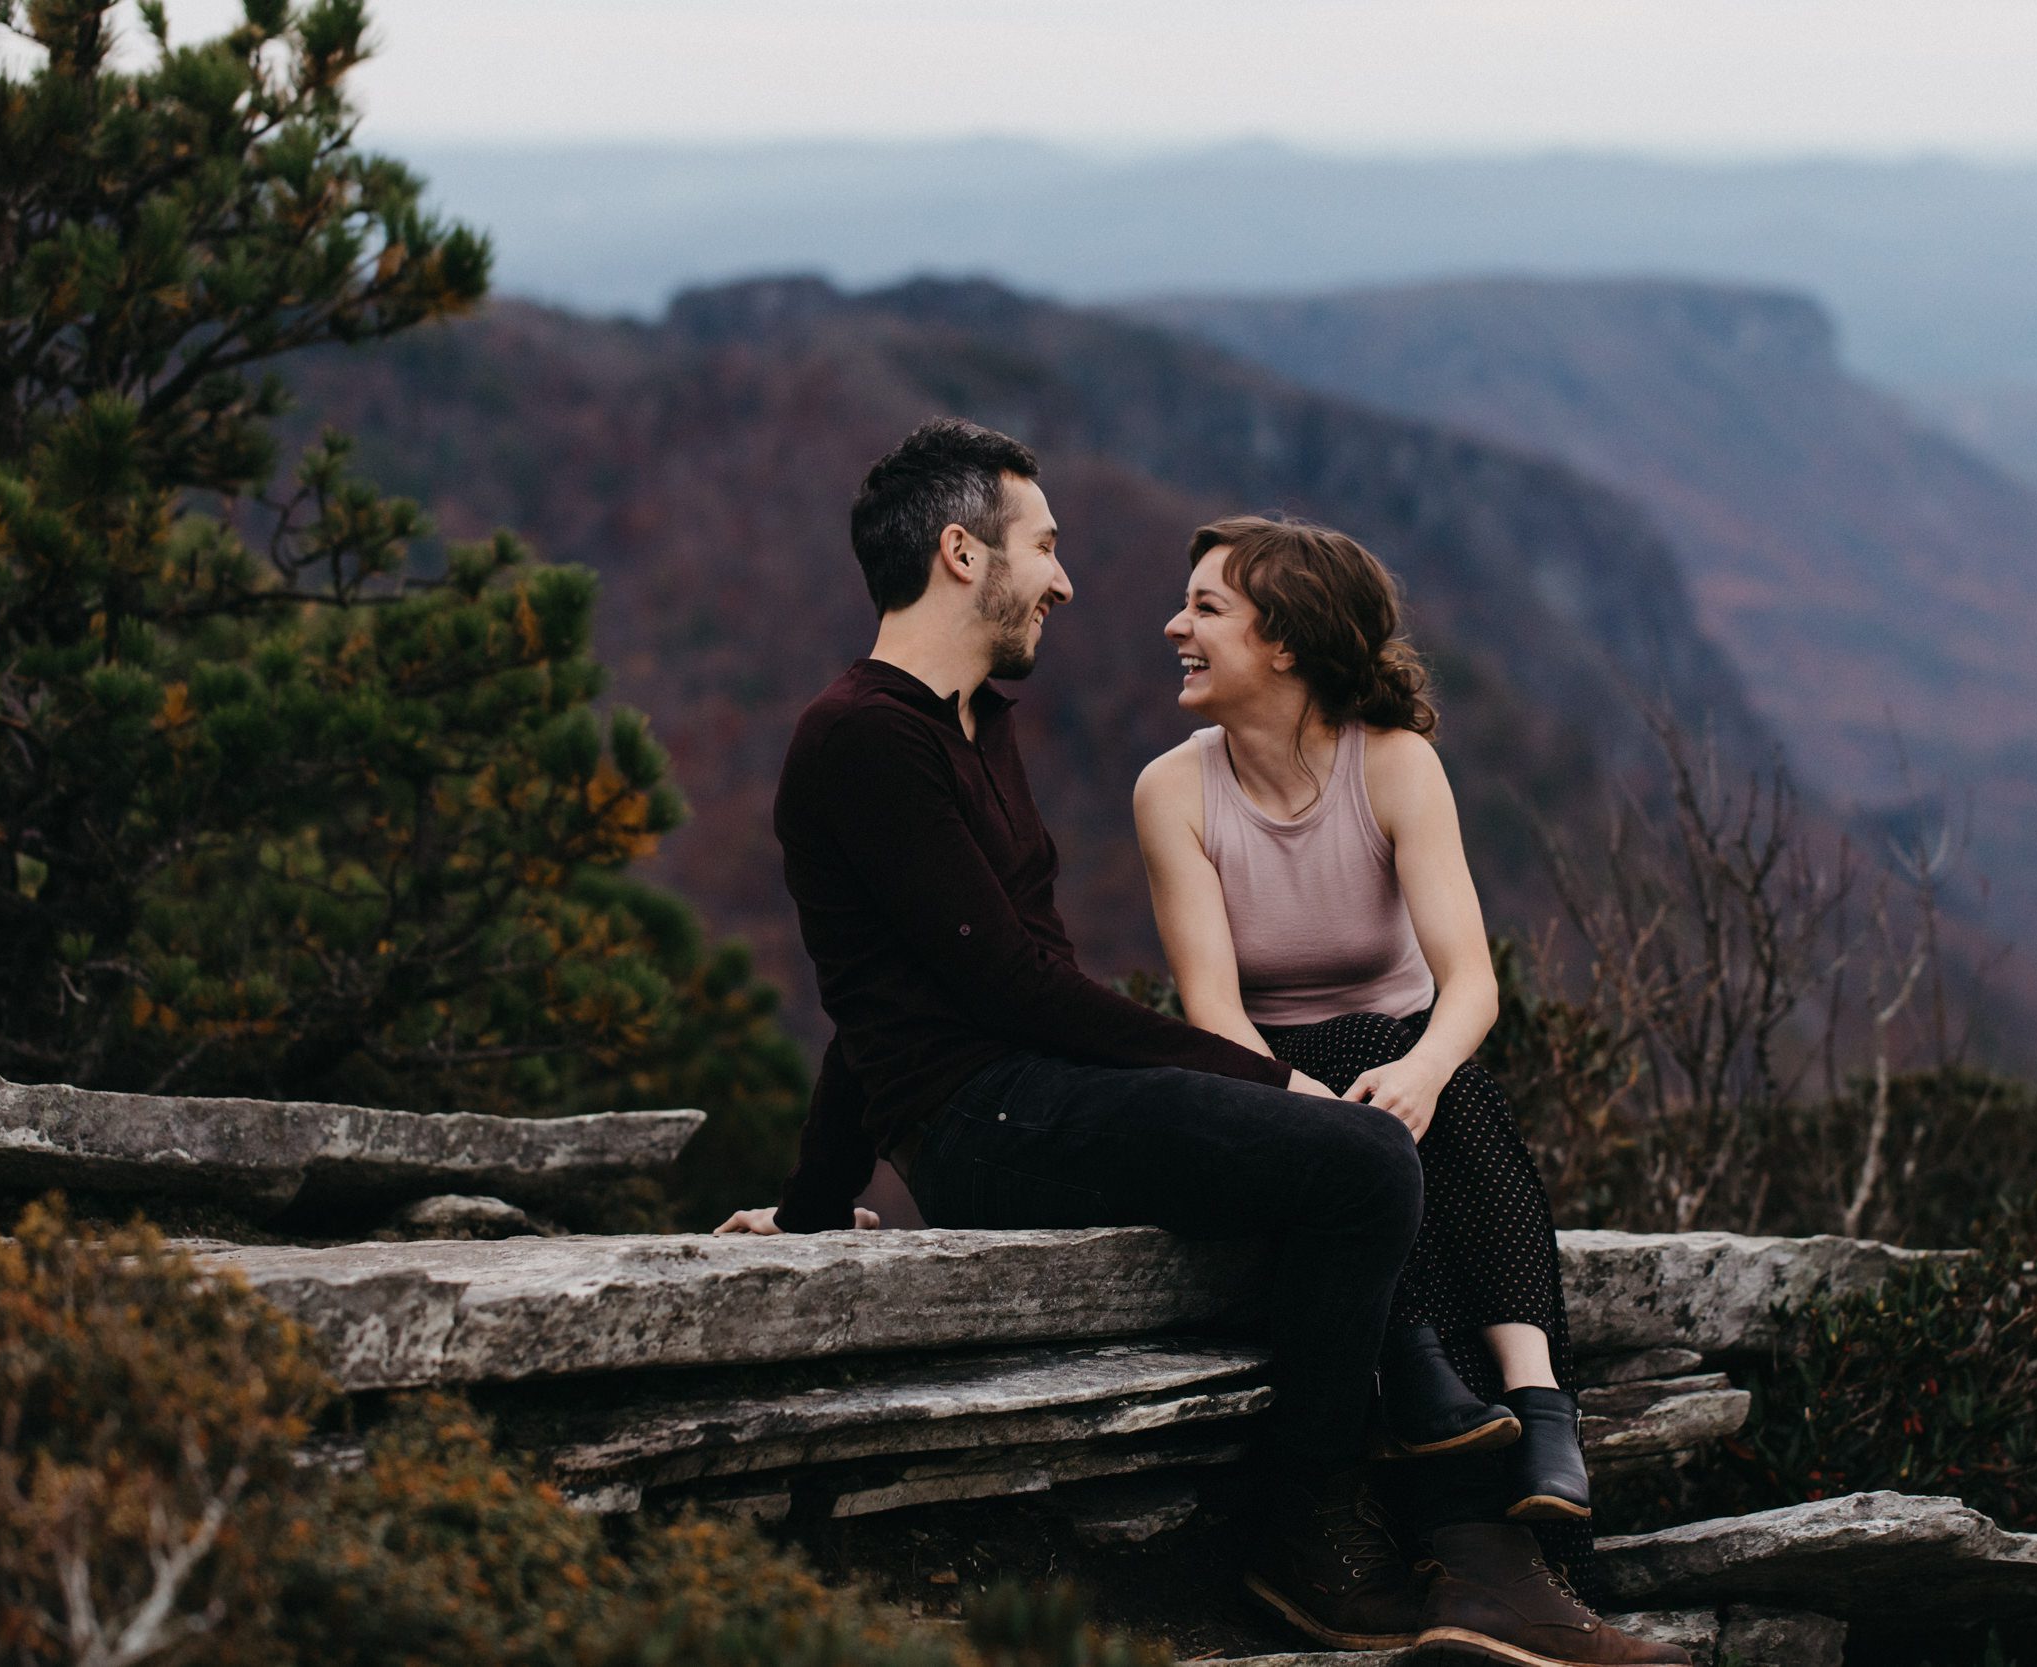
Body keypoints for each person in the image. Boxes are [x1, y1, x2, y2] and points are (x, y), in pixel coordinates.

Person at [718, 420, 1431, 1652]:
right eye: (1042, 545)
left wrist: (815, 1208)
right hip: (986, 1121)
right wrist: (1272, 1079)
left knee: (1358, 1158)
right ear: (961, 552)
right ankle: (1300, 1538)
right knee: (1360, 1160)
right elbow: (1010, 987)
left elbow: (875, 998)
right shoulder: (861, 737)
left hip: (1022, 1091)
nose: (1062, 577)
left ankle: (1426, 1411)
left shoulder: (974, 727)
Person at [1134, 515, 1688, 1667]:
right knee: (1349, 1067)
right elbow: (1211, 1016)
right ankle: (1508, 1448)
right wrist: (1317, 1102)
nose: (1174, 627)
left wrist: (1424, 1070)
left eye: (1205, 609)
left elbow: (1470, 981)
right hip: (1263, 1092)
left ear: (1284, 644)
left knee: (1416, 1069)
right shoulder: (1172, 792)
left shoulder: (1391, 762)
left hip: (1406, 1081)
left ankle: (1512, 1404)